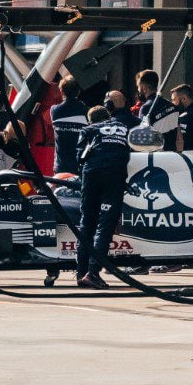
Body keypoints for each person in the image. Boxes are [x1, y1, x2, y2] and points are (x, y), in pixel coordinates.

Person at [73, 106, 136, 288]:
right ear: (108, 117)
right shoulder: (123, 125)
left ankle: (81, 272)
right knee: (105, 225)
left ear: (91, 121)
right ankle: (93, 273)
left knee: (87, 223)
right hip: (113, 176)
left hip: (91, 175)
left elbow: (79, 158)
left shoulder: (88, 130)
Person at [133, 69, 179, 151]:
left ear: (143, 87)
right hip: (173, 155)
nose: (138, 90)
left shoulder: (146, 108)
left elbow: (143, 137)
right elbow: (179, 137)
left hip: (156, 156)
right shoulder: (172, 106)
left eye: (138, 86)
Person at [51, 77, 88, 176]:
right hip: (79, 165)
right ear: (78, 91)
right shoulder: (85, 111)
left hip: (60, 165)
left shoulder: (54, 110)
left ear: (61, 91)